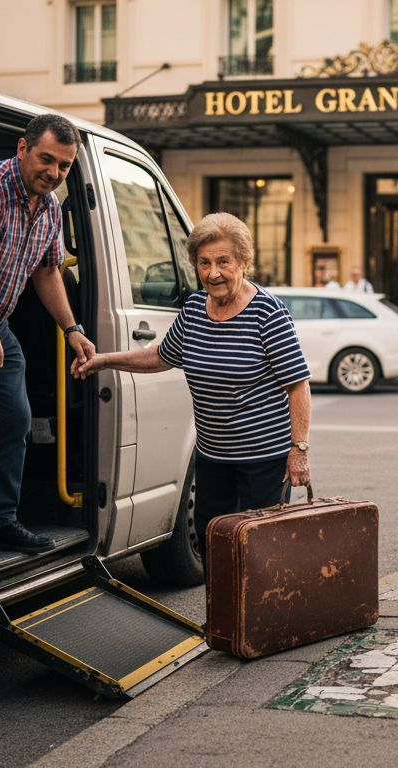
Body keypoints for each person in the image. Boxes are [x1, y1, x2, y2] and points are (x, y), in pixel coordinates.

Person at [80, 212, 312, 549]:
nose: (213, 273)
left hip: (264, 459)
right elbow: (161, 356)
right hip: (213, 456)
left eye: (223, 261)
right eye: (204, 263)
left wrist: (299, 450)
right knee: (212, 541)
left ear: (244, 262)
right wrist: (105, 360)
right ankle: (222, 605)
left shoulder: (268, 313)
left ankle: (260, 606)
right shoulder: (193, 310)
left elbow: (298, 385)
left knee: (262, 549)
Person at [0, 113, 96, 558]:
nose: (54, 173)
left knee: (15, 422)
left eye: (64, 167)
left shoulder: (51, 206)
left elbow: (46, 270)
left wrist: (71, 329)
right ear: (22, 149)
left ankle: (0, 521)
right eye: (46, 160)